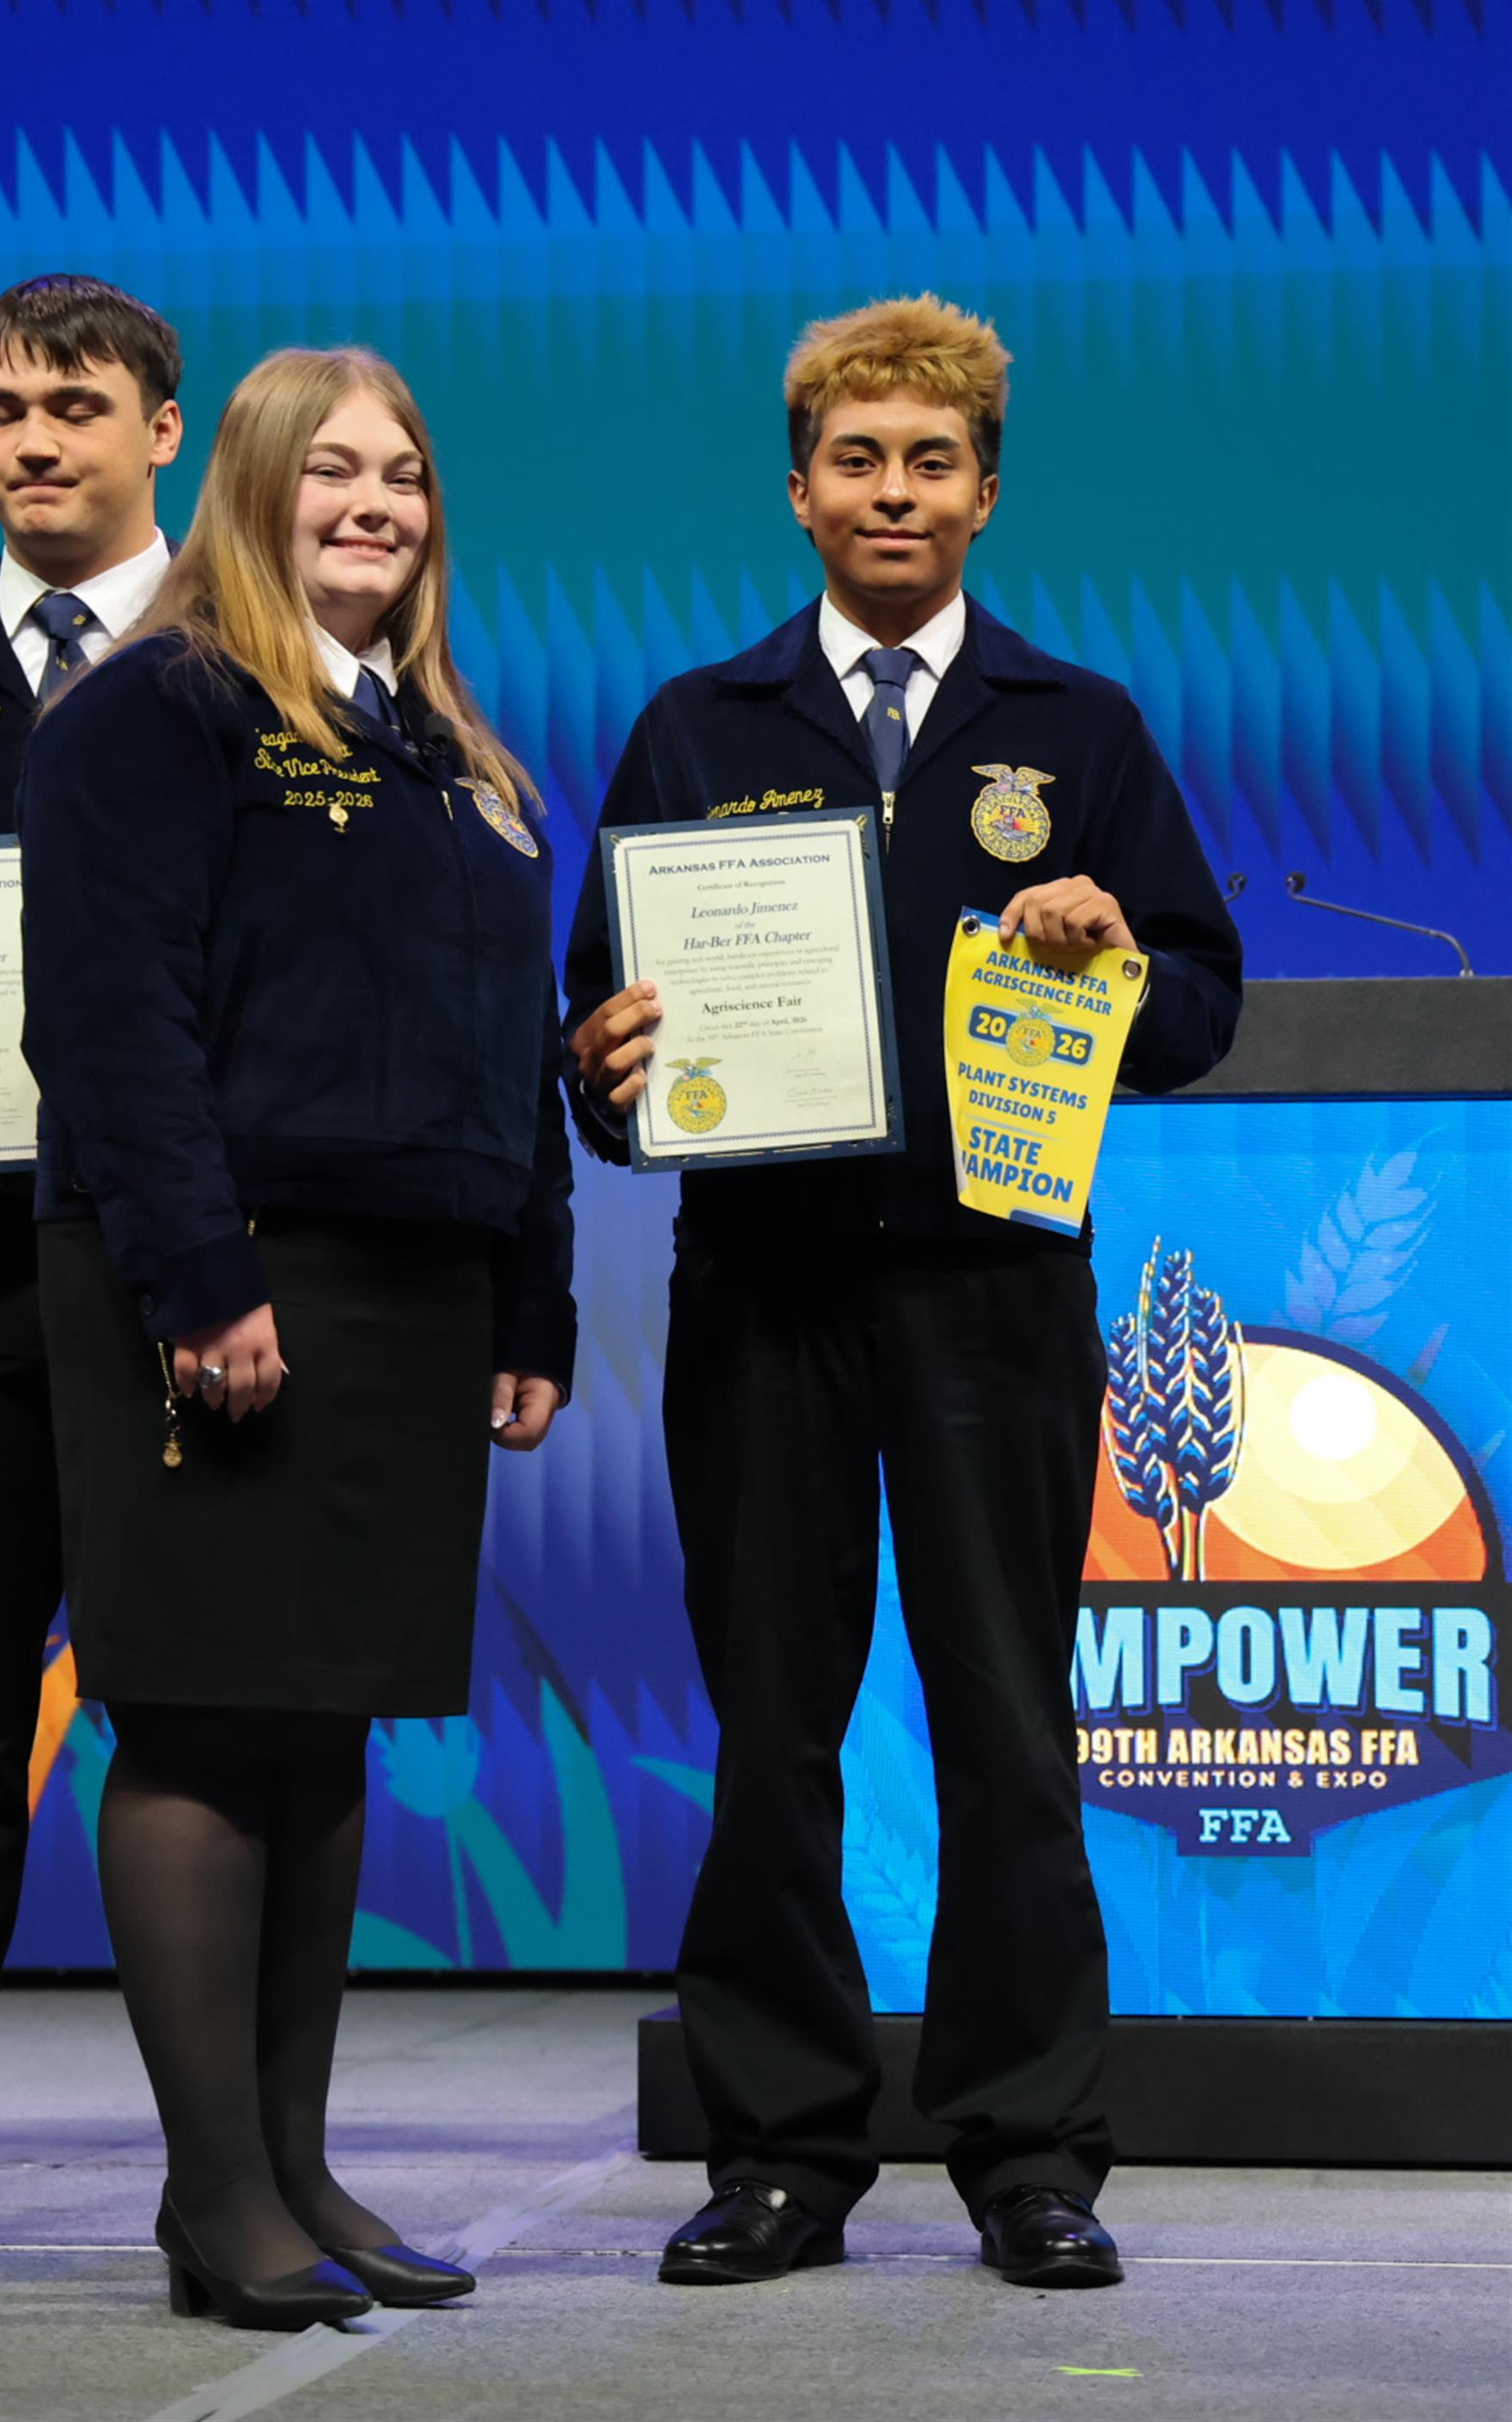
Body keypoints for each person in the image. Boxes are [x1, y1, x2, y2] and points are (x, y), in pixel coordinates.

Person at [564, 295, 1241, 2291]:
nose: (891, 491)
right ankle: (779, 2151)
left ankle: (1029, 2152)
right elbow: (601, 1048)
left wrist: (1114, 955)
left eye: (928, 460)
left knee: (1005, 1728)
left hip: (993, 1301)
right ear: (797, 489)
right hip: (761, 1299)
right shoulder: (699, 725)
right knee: (771, 1730)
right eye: (855, 459)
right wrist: (602, 1066)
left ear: (984, 491)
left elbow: (1197, 1009)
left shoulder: (1077, 728)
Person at [18, 346, 575, 2329]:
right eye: (331, 467)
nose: (374, 502)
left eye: (402, 472)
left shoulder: (463, 761)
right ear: (250, 483)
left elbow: (512, 1057)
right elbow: (109, 1020)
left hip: (414, 1295)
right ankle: (216, 2192)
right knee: (198, 1713)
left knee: (322, 1717)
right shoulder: (152, 710)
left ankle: (296, 2160)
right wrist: (198, 1277)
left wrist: (533, 1294)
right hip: (222, 1275)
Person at [0, 274, 182, 2255]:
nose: (33, 440)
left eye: (75, 407)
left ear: (162, 431)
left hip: (195, 1288)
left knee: (212, 1730)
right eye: (3, 406)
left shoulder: (263, 677)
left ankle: (242, 2170)